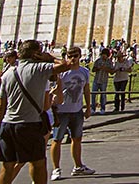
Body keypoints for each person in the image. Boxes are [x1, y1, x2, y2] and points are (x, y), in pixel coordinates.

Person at [0, 39, 74, 184]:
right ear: (36, 54)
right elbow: (67, 65)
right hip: (30, 124)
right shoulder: (39, 69)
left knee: (7, 166)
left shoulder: (7, 74)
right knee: (38, 163)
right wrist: (51, 58)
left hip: (8, 124)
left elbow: (1, 105)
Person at [49, 46, 95, 179]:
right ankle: (56, 169)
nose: (72, 59)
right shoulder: (62, 72)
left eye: (75, 56)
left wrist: (88, 107)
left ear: (80, 56)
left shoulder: (84, 72)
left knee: (77, 139)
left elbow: (86, 89)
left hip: (77, 110)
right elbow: (54, 88)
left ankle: (78, 166)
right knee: (57, 139)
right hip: (61, 111)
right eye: (70, 56)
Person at [90, 50, 112, 114]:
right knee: (93, 95)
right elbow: (93, 69)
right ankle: (93, 108)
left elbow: (111, 71)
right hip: (96, 80)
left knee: (103, 95)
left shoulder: (109, 62)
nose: (103, 56)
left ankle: (102, 108)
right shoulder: (98, 61)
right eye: (102, 54)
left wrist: (105, 68)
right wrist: (98, 68)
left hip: (104, 80)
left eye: (105, 55)